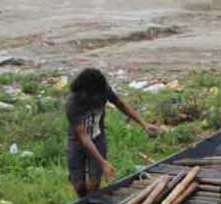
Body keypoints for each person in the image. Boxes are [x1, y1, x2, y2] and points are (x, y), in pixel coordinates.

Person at [66, 68, 161, 197]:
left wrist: (143, 124)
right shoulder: (72, 103)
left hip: (98, 138)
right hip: (77, 143)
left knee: (94, 184)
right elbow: (83, 136)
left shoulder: (103, 91)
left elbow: (120, 104)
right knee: (79, 187)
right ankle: (83, 201)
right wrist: (103, 162)